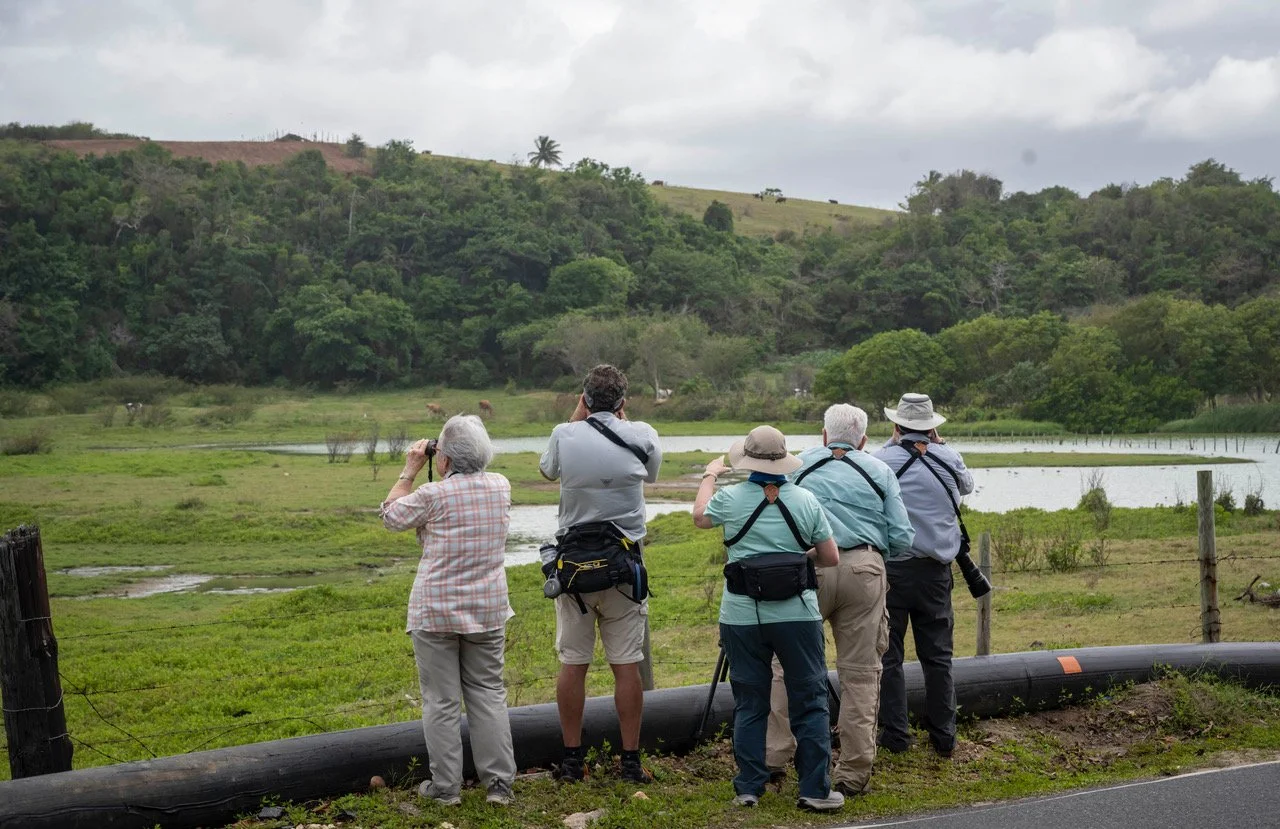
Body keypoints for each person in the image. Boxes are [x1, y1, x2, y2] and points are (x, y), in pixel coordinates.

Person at [693, 425, 845, 813]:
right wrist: (801, 557)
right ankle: (814, 789)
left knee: (750, 700)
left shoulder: (728, 499)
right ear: (783, 461)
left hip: (742, 615)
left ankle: (749, 787)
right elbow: (831, 558)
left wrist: (710, 474)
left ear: (747, 461)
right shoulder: (806, 500)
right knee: (810, 699)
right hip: (797, 613)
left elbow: (699, 517)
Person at [766, 404, 914, 797]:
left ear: (823, 435)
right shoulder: (879, 470)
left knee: (785, 668)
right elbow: (902, 536)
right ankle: (853, 771)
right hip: (864, 568)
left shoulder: (797, 468)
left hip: (807, 569)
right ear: (864, 439)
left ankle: (775, 758)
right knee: (861, 673)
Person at [381, 414, 517, 807]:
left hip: (436, 611)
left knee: (441, 701)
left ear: (443, 460)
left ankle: (446, 788)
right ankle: (498, 786)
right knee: (489, 693)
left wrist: (409, 469)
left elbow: (391, 517)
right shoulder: (501, 486)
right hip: (488, 609)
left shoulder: (432, 495)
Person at [539, 364, 662, 784]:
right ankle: (630, 761)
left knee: (573, 664)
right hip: (625, 567)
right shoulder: (643, 434)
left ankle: (572, 760)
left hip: (573, 569)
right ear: (623, 403)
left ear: (584, 398)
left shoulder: (563, 434)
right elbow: (653, 473)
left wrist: (576, 418)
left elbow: (547, 470)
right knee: (626, 664)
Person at [872, 393, 974, 759]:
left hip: (892, 572)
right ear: (932, 428)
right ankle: (944, 736)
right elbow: (967, 487)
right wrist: (939, 446)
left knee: (889, 656)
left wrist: (894, 442)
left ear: (896, 426)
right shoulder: (949, 458)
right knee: (938, 657)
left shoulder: (880, 460)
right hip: (935, 572)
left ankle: (895, 735)